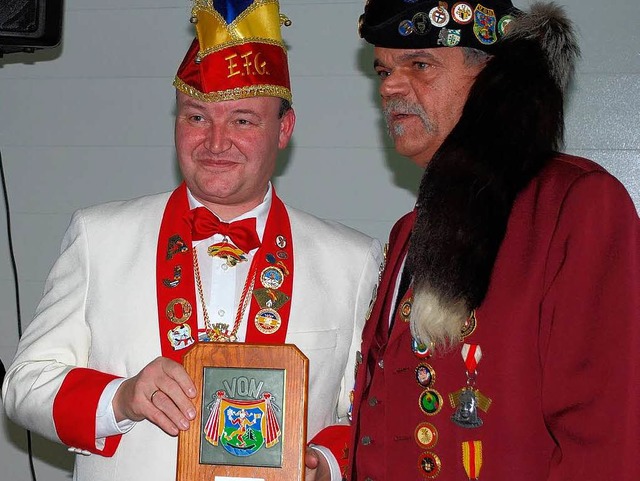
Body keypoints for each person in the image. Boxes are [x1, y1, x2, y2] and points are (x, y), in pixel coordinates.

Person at [1, 1, 382, 481]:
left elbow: (373, 417)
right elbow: (23, 386)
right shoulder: (99, 237)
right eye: (197, 117)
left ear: (284, 129)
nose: (215, 142)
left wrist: (324, 464)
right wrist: (120, 398)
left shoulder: (354, 259)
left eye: (242, 120)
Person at [345, 1, 640, 480]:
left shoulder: (576, 205)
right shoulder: (408, 231)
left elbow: (602, 436)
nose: (391, 87)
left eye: (419, 64)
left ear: (492, 81)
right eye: (384, 70)